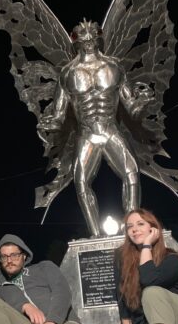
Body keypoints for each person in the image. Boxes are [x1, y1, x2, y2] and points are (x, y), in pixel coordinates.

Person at [38, 20, 156, 237]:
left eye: (93, 37)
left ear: (98, 39)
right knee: (80, 181)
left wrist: (143, 103)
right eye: (85, 39)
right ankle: (95, 235)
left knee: (132, 174)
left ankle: (131, 230)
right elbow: (59, 115)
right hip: (86, 134)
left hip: (110, 130)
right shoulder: (68, 73)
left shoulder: (114, 66)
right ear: (77, 41)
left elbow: (131, 109)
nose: (89, 41)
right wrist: (48, 125)